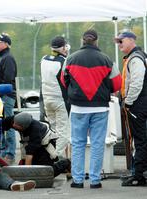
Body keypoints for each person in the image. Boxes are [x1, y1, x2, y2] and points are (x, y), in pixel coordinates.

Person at [61, 29, 122, 188]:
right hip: (100, 108)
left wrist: (74, 91)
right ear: (97, 41)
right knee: (97, 143)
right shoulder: (107, 60)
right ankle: (95, 181)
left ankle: (77, 180)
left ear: (82, 41)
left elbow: (63, 79)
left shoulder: (70, 59)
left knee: (78, 143)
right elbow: (117, 84)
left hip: (78, 107)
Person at [114, 31, 147, 186]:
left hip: (137, 104)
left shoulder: (136, 59)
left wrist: (128, 102)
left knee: (139, 140)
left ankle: (139, 176)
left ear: (131, 40)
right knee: (138, 139)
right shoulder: (135, 57)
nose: (119, 44)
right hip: (139, 103)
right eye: (117, 41)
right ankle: (137, 172)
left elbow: (136, 83)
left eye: (121, 41)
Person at [2, 112, 71, 178]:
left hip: (45, 146)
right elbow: (0, 125)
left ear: (24, 127)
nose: (13, 125)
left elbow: (29, 154)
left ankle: (66, 163)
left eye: (17, 125)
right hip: (32, 143)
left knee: (45, 173)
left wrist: (27, 176)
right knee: (24, 168)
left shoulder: (35, 131)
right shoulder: (15, 119)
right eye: (14, 123)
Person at [40, 36, 71, 159]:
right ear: (63, 47)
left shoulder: (43, 59)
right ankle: (56, 157)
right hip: (60, 100)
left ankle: (51, 155)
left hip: (47, 99)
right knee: (64, 132)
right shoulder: (64, 61)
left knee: (52, 131)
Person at [0, 33, 17, 164]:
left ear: (6, 44)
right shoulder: (0, 58)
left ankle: (10, 153)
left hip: (6, 97)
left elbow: (8, 81)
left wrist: (0, 93)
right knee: (0, 125)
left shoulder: (8, 58)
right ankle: (2, 151)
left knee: (9, 126)